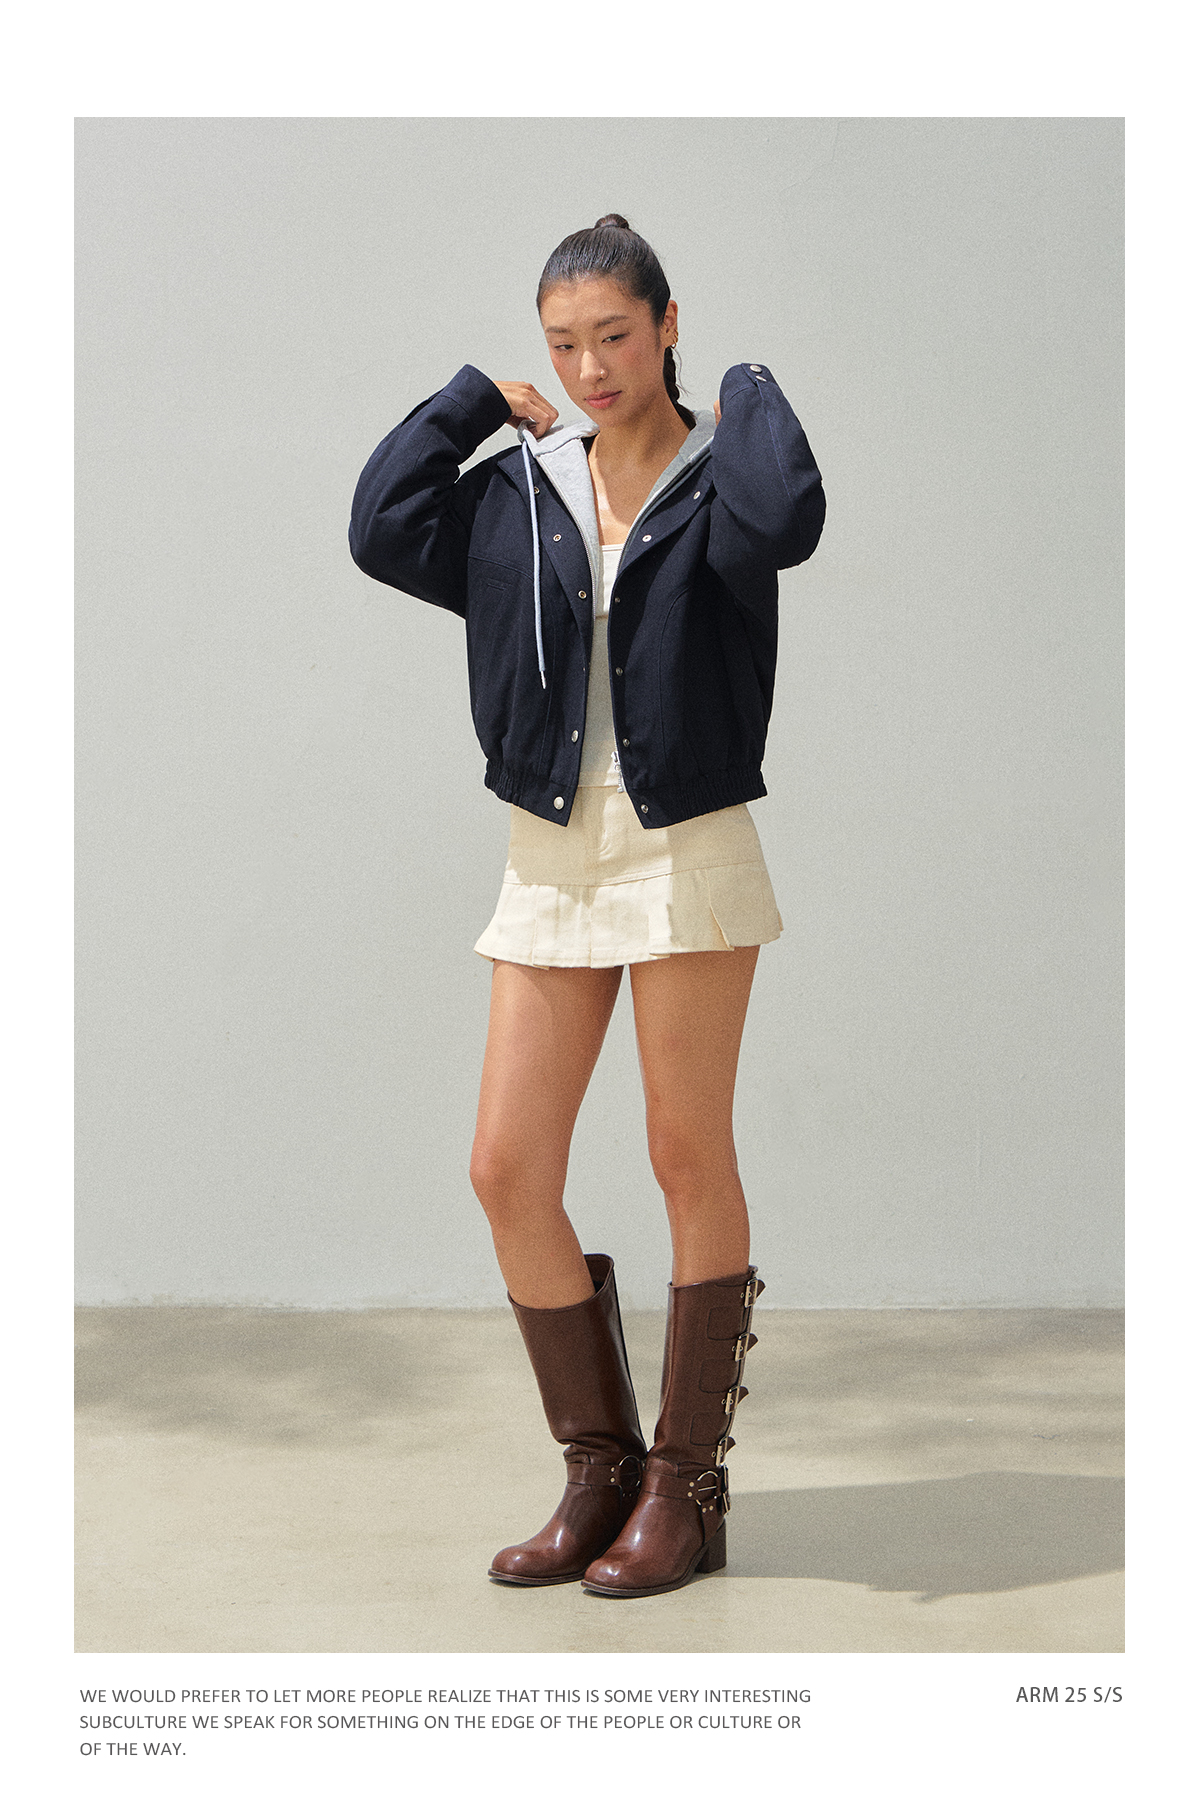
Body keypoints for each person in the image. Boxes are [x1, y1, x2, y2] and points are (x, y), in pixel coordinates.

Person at [349, 215, 825, 1598]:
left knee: (685, 1152)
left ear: (666, 325)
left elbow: (789, 521)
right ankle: (599, 1467)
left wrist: (748, 390)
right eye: (564, 344)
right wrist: (469, 405)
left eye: (616, 335)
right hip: (554, 844)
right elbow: (381, 528)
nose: (591, 367)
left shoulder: (721, 475)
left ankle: (686, 1486)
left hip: (685, 838)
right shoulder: (522, 489)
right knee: (507, 1167)